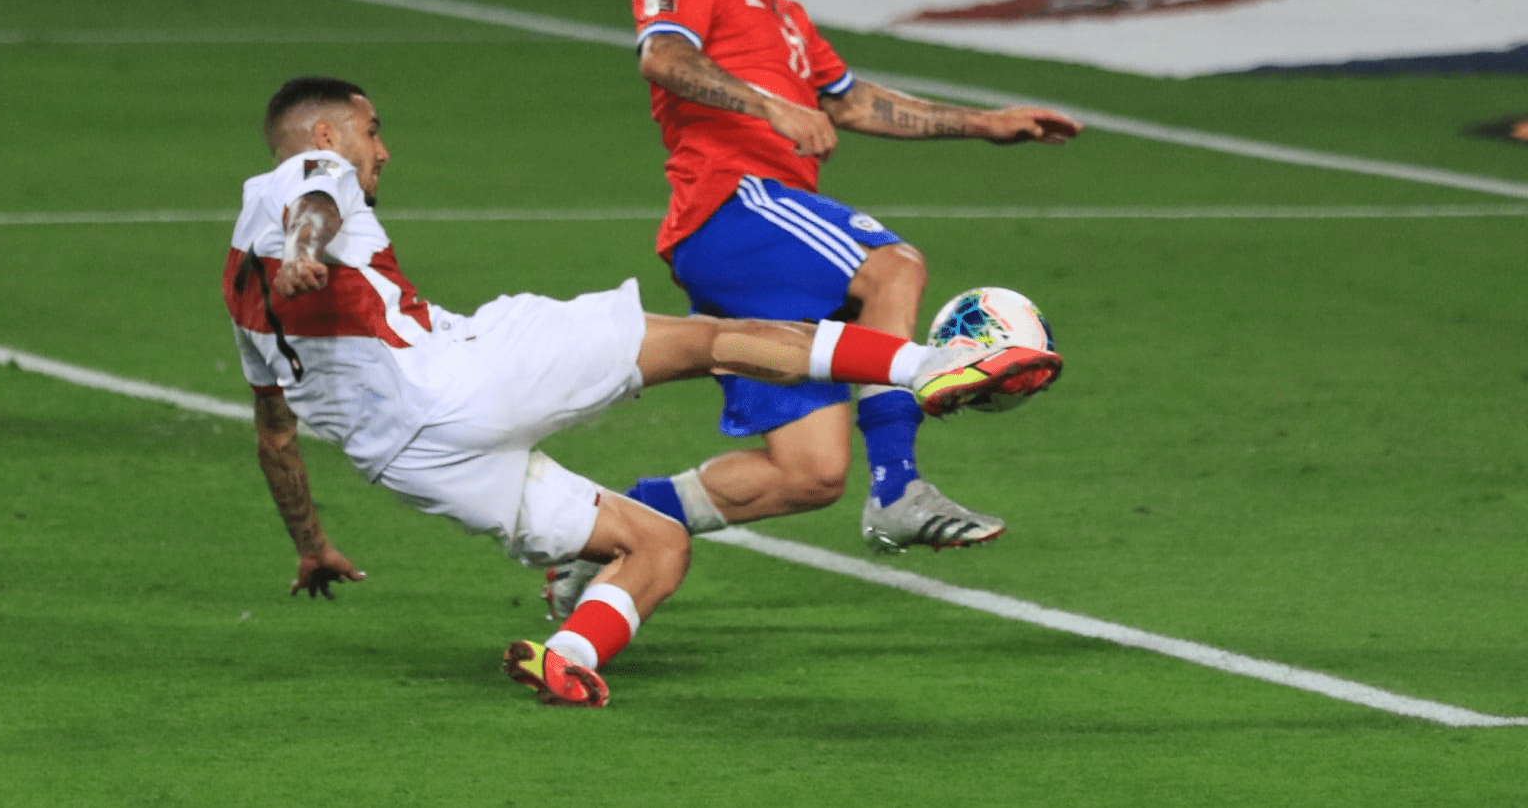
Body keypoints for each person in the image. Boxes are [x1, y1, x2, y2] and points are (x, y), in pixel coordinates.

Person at [222, 76, 1062, 708]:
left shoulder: (239, 305)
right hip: (463, 374)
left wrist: (310, 543)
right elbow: (312, 201)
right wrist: (303, 246)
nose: (382, 150)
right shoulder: (304, 174)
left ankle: (572, 655)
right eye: (373, 132)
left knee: (657, 544)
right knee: (713, 342)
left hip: (410, 460)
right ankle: (934, 366)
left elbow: (275, 437)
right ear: (328, 133)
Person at [554, 0, 1083, 604]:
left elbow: (850, 101)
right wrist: (770, 105)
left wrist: (985, 123)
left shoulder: (788, 18)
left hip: (757, 248)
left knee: (807, 474)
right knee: (893, 267)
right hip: (736, 204)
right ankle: (899, 487)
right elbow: (664, 59)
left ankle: (600, 528)